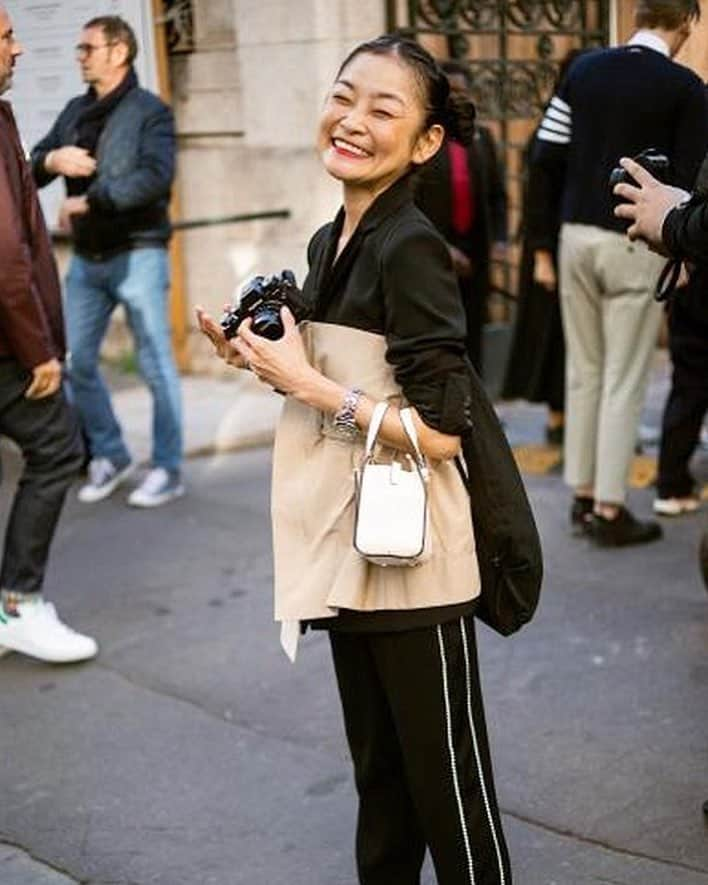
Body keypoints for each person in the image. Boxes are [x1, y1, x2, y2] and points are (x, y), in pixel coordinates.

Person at [198, 35, 512, 884]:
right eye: (344, 96)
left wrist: (306, 382)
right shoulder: (330, 238)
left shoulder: (410, 244)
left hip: (414, 559)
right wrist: (264, 362)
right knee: (382, 784)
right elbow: (333, 388)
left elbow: (445, 433)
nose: (352, 119)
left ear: (423, 143)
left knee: (451, 793)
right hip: (348, 550)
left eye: (383, 108)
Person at [532, 0, 708, 546]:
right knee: (624, 377)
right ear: (686, 23)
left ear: (636, 16)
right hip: (636, 241)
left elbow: (544, 155)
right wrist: (682, 255)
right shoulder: (686, 88)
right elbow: (689, 180)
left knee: (584, 370)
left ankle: (582, 494)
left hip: (573, 236)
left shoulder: (583, 70)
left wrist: (540, 245)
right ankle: (610, 508)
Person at [30, 15, 184, 508]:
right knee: (76, 363)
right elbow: (32, 162)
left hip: (139, 251)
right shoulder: (76, 110)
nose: (80, 55)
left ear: (119, 51)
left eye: (88, 47)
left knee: (156, 366)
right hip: (88, 260)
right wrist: (53, 161)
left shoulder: (150, 111)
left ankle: (167, 468)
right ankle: (112, 454)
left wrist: (93, 200)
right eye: (79, 48)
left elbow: (156, 179)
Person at [0, 5, 97, 664]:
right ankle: (19, 604)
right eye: (6, 36)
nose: (19, 48)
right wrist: (40, 351)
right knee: (59, 449)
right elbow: (6, 257)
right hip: (8, 343)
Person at [502, 53, 588, 446]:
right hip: (549, 251)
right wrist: (541, 258)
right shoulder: (549, 135)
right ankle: (559, 419)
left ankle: (572, 417)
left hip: (565, 247)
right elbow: (536, 199)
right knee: (554, 340)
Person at [416, 59, 508, 374]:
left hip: (475, 252)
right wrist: (442, 248)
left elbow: (497, 196)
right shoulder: (423, 142)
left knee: (474, 333)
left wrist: (499, 240)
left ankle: (475, 404)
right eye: (451, 90)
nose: (458, 97)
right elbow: (411, 204)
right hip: (435, 253)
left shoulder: (482, 138)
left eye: (463, 91)